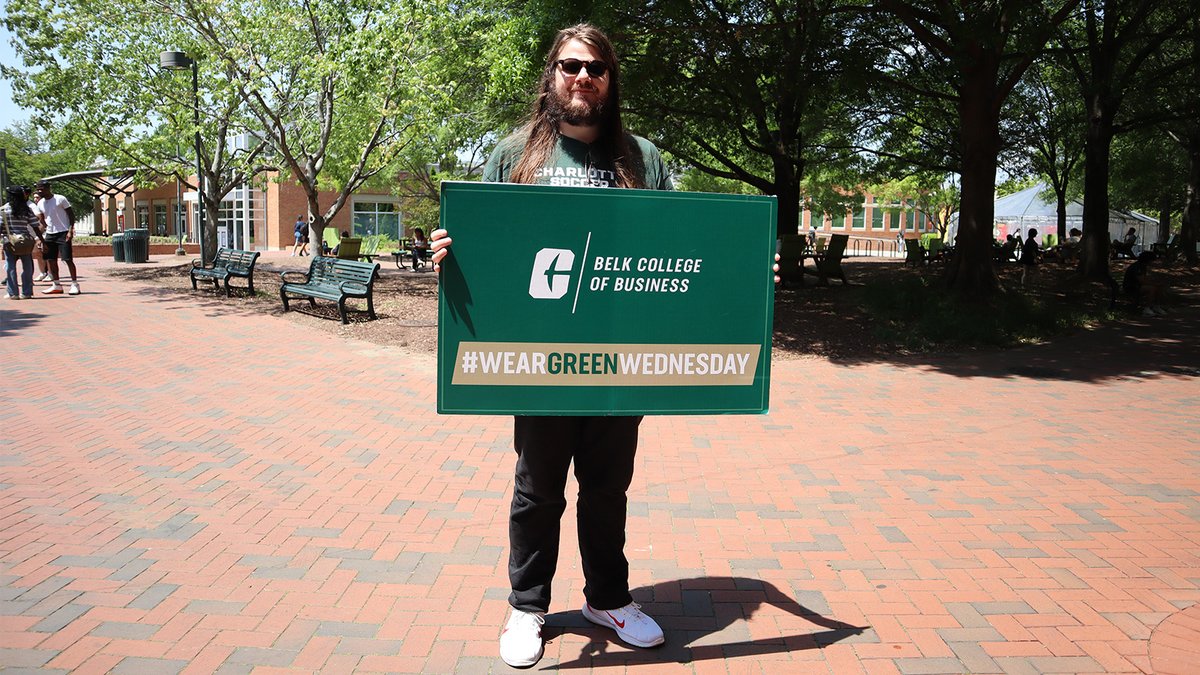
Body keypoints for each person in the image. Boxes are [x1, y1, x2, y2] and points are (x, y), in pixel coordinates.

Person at [431, 23, 672, 668]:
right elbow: (485, 245)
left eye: (595, 67)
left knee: (606, 487)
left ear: (610, 79)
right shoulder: (516, 156)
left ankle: (609, 598)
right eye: (570, 66)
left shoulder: (643, 160)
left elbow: (685, 247)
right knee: (537, 490)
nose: (582, 77)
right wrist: (451, 254)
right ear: (552, 75)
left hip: (619, 358)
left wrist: (743, 266)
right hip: (538, 359)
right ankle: (527, 606)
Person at [33, 179, 79, 295]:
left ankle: (74, 284)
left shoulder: (60, 199)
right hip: (50, 234)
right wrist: (41, 237)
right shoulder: (40, 203)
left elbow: (71, 215)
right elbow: (42, 220)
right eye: (38, 189)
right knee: (51, 260)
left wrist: (70, 230)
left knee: (67, 259)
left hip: (63, 232)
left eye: (41, 189)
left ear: (48, 188)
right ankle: (56, 285)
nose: (39, 191)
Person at [3, 185, 45, 299]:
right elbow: (35, 226)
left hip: (9, 241)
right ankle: (26, 292)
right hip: (25, 241)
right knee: (27, 266)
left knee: (10, 266)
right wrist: (42, 240)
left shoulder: (4, 209)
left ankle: (13, 293)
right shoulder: (26, 209)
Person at [1123, 251, 1167, 316]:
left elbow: (1144, 278)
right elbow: (1142, 280)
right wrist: (1154, 284)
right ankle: (1147, 308)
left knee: (1159, 287)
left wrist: (1156, 283)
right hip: (1131, 287)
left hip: (1138, 285)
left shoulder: (1143, 266)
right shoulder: (1137, 267)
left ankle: (1156, 306)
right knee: (1151, 289)